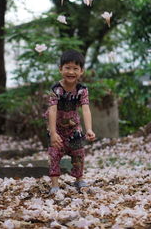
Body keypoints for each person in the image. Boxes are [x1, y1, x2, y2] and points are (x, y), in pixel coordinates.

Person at [46, 49, 96, 194]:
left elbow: (86, 109)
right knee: (54, 154)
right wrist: (53, 133)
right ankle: (54, 185)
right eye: (67, 68)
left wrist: (89, 129)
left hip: (74, 130)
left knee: (79, 153)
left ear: (81, 71)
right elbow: (52, 110)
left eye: (75, 68)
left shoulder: (82, 89)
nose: (71, 72)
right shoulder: (56, 89)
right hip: (57, 129)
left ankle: (79, 179)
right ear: (60, 69)